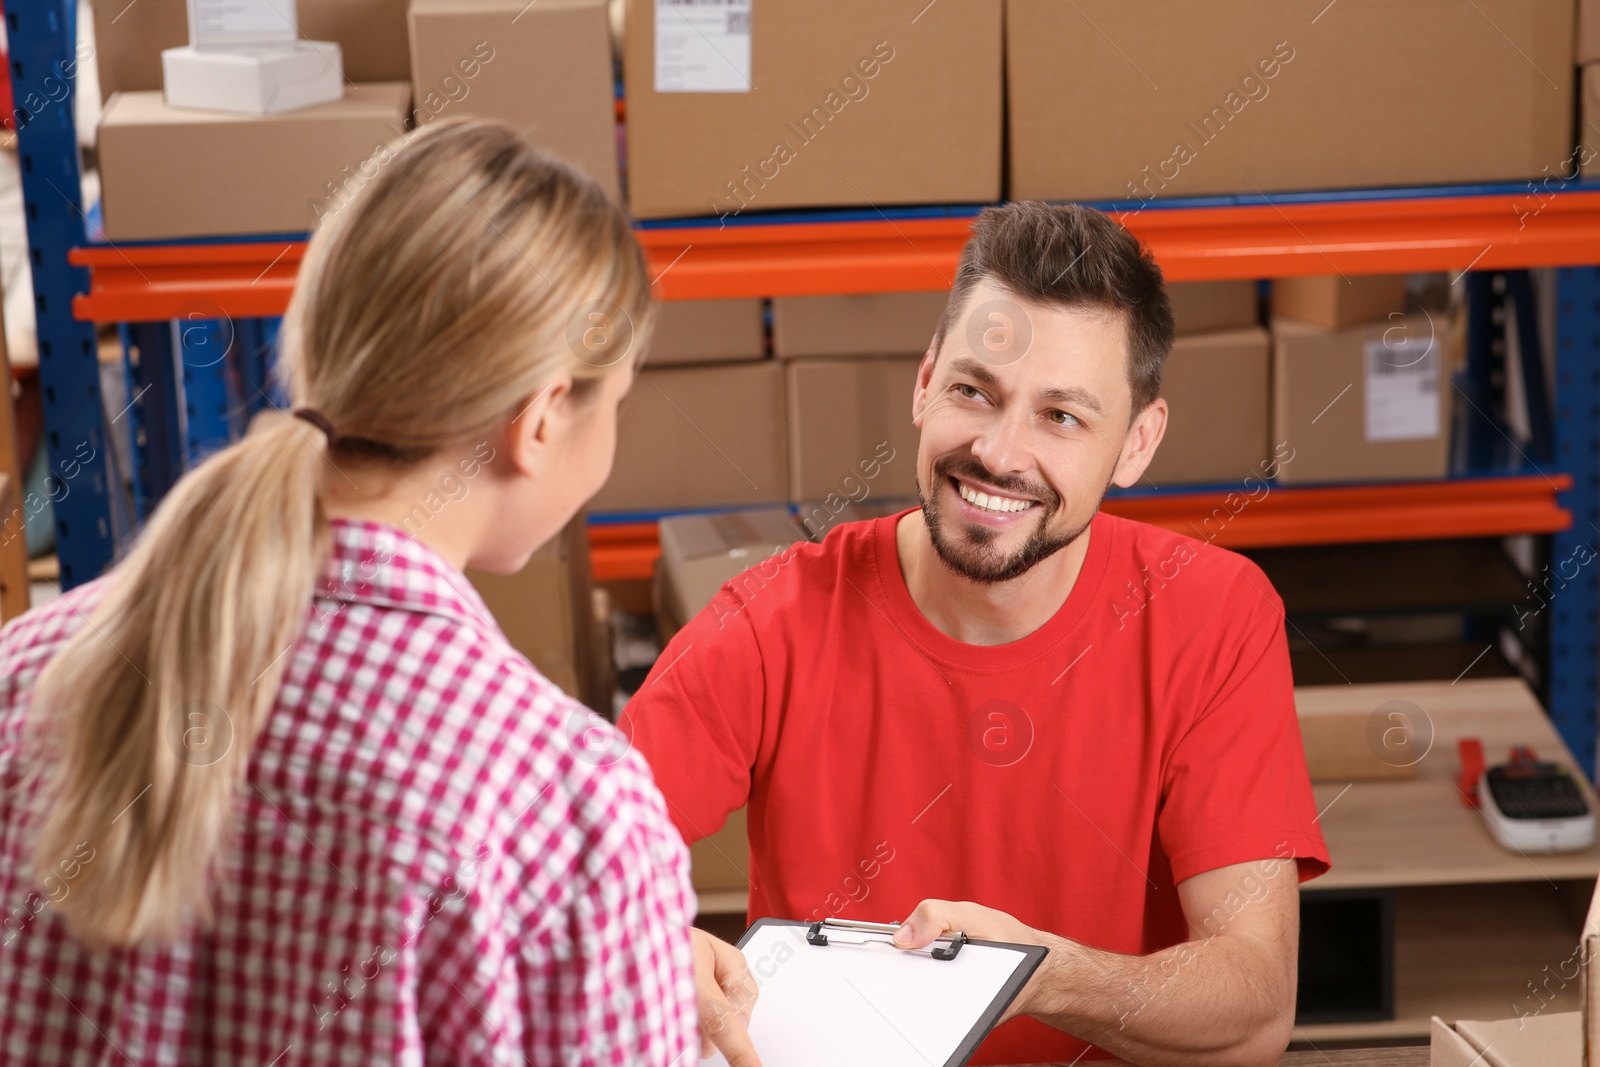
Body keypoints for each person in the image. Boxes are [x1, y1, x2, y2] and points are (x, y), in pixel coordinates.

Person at [0, 119, 698, 1065]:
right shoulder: (565, 805)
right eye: (612, 402)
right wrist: (617, 950)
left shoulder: (29, 673)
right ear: (538, 421)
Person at [629, 201, 1331, 1066]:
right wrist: (653, 951)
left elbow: (1256, 1004)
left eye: (1061, 417)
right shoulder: (771, 620)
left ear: (1137, 444)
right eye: (974, 391)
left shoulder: (1215, 615)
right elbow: (545, 877)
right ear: (925, 383)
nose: (1000, 453)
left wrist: (1040, 975)